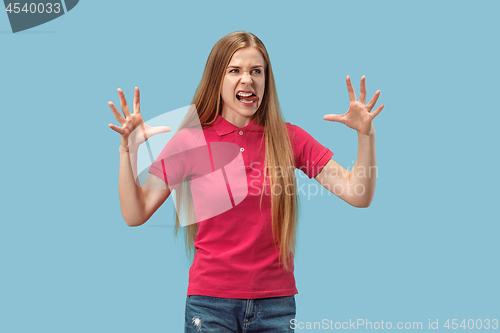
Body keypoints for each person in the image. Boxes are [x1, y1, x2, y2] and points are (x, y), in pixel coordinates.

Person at [108, 31, 384, 333]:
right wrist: (127, 151)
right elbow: (135, 214)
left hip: (275, 304)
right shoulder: (191, 141)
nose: (247, 80)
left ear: (266, 80)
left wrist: (366, 137)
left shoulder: (288, 138)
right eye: (235, 70)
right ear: (218, 78)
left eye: (256, 71)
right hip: (210, 303)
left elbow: (358, 193)